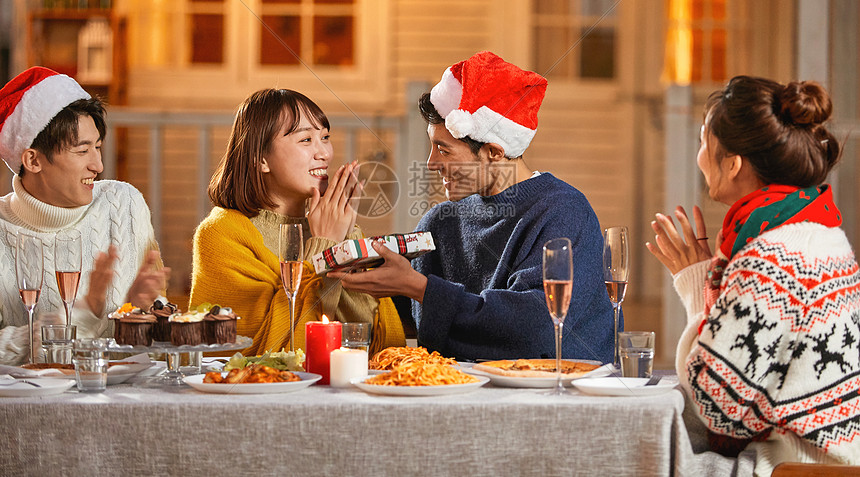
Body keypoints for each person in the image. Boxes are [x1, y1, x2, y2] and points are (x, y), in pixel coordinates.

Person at [334, 51, 614, 362]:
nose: (430, 163)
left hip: (557, 396)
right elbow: (411, 314)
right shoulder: (439, 222)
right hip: (457, 392)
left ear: (494, 152)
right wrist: (363, 276)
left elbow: (537, 331)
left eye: (444, 149)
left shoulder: (563, 212)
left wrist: (423, 289)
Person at [647, 76, 859, 473]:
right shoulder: (818, 229)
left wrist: (697, 284)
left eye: (702, 141)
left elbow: (715, 407)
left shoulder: (769, 255)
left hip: (793, 467)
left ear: (732, 164)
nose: (698, 157)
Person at [190, 88, 405, 356]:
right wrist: (325, 246)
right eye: (306, 140)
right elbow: (262, 354)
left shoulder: (333, 226)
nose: (324, 153)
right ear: (260, 159)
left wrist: (345, 245)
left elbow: (370, 340)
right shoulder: (222, 234)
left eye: (325, 137)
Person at [0, 67, 169, 365]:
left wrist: (142, 314)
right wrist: (82, 315)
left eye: (99, 147)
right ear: (33, 159)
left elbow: (158, 342)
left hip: (125, 397)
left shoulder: (124, 204)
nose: (98, 166)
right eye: (82, 151)